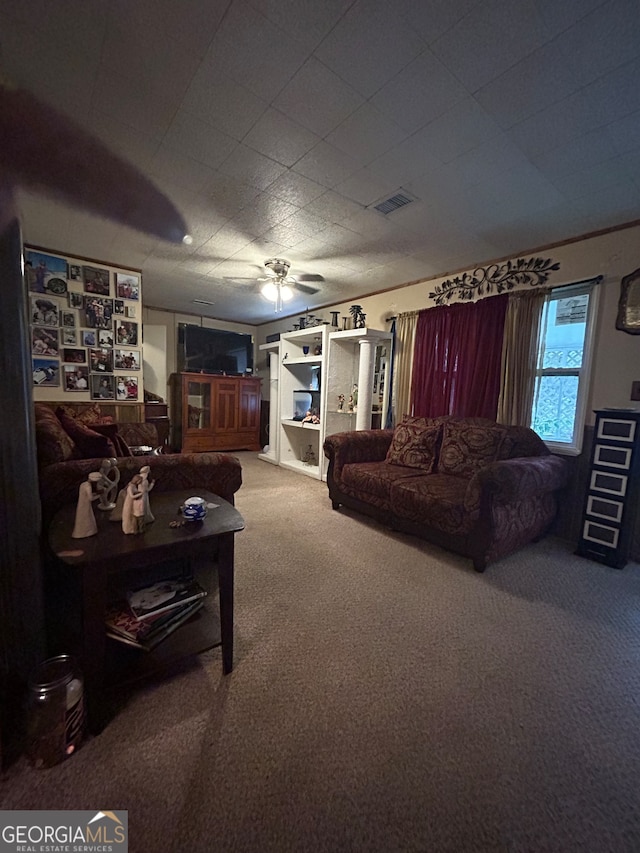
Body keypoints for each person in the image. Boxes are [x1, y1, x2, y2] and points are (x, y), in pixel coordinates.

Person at [72, 472, 102, 538]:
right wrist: (99, 495)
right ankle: (86, 532)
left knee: (82, 517)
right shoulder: (88, 486)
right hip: (86, 504)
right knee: (86, 517)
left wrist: (95, 493)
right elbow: (90, 498)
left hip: (81, 503)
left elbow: (85, 494)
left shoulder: (83, 484)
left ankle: (80, 532)